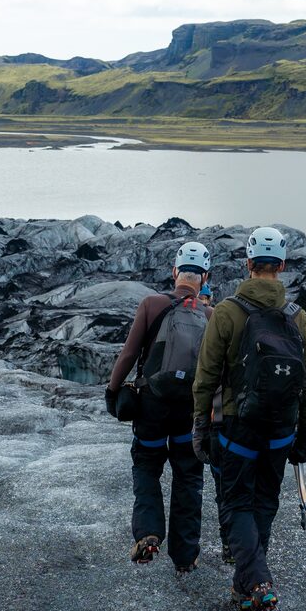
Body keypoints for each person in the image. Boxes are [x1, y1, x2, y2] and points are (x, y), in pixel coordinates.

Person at [192, 226, 306, 611]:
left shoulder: (227, 312)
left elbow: (206, 376)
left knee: (236, 505)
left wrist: (201, 424)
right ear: (281, 265)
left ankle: (259, 578)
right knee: (264, 503)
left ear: (248, 264)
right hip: (282, 430)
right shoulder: (299, 318)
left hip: (237, 428)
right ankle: (244, 587)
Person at [105, 241, 214, 573]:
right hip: (189, 411)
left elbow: (128, 354)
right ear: (205, 276)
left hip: (151, 406)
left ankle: (149, 533)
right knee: (188, 478)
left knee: (147, 468)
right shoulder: (211, 314)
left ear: (175, 272)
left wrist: (113, 391)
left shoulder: (152, 304)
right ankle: (185, 557)